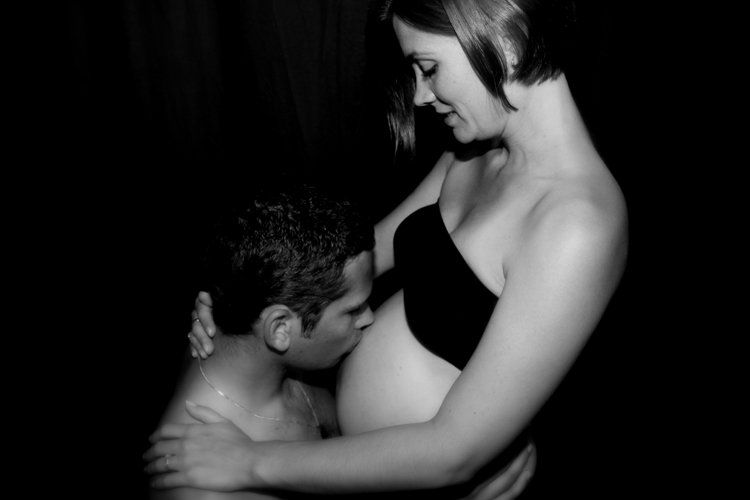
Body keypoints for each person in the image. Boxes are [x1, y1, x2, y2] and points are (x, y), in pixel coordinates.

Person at [145, 0, 628, 497]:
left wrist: (250, 463)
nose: (420, 96)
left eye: (428, 68)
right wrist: (242, 305)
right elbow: (362, 257)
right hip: (358, 455)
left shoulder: (579, 224)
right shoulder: (474, 150)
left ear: (506, 41)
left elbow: (454, 452)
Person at [151, 184, 375, 499]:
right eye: (353, 310)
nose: (369, 318)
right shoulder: (203, 487)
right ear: (280, 329)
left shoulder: (260, 311)